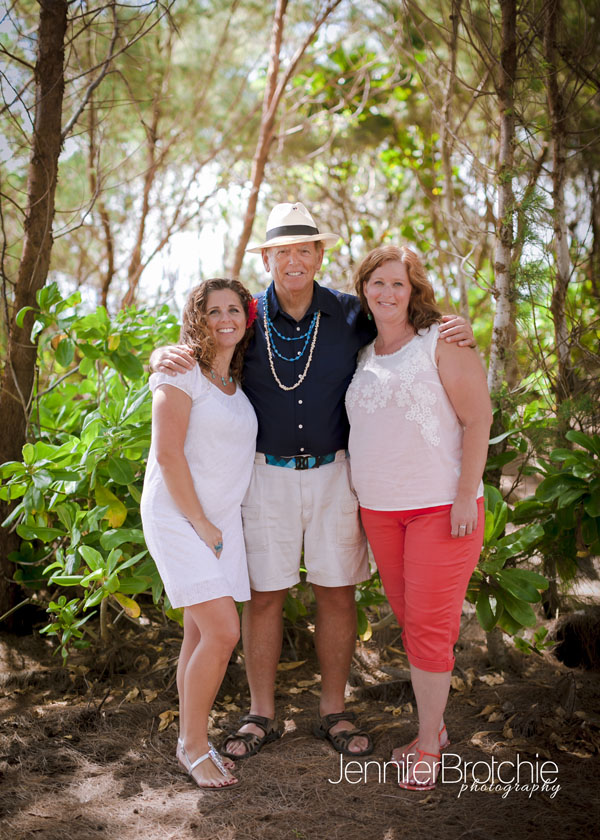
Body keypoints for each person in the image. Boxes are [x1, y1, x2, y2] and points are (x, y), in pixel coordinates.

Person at [150, 202, 476, 761]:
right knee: (266, 594)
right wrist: (160, 353)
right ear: (267, 258)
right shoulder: (244, 316)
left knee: (336, 591)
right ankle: (261, 713)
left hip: (335, 471)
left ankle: (334, 709)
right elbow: (200, 354)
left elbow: (408, 325)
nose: (294, 260)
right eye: (282, 251)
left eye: (305, 249)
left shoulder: (354, 315)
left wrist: (455, 325)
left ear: (321, 255)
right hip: (264, 475)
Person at [345, 245, 492, 790]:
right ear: (364, 290)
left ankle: (427, 744)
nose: (386, 293)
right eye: (376, 283)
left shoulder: (442, 342)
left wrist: (463, 495)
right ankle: (439, 726)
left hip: (439, 507)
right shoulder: (362, 355)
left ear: (414, 292)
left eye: (397, 285)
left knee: (430, 629)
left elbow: (479, 420)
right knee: (414, 625)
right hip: (381, 511)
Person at [141, 278, 258, 789]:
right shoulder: (181, 372)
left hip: (219, 522)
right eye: (214, 311)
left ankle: (193, 739)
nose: (225, 318)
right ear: (198, 318)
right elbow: (167, 455)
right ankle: (191, 747)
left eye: (235, 309)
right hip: (179, 517)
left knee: (198, 633)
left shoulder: (236, 381)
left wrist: (218, 523)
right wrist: (203, 523)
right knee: (223, 631)